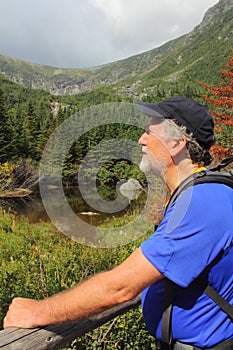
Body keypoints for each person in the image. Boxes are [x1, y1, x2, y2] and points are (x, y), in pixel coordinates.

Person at [3, 97, 233, 350]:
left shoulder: (199, 203)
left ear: (177, 143)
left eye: (148, 132)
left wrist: (37, 312)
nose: (140, 140)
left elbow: (121, 287)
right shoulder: (207, 190)